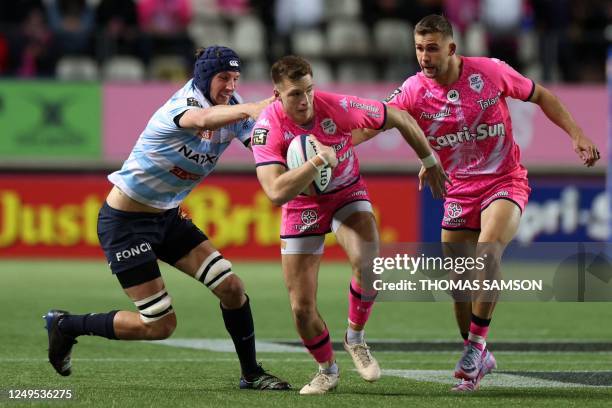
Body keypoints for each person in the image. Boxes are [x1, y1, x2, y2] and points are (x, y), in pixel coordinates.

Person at [357, 14, 600, 392]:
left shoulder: (489, 72)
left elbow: (541, 95)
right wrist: (337, 145)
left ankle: (474, 348)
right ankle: (477, 353)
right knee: (460, 285)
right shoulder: (414, 89)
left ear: (451, 48)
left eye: (432, 48)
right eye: (419, 48)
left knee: (487, 254)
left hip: (505, 180)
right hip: (459, 189)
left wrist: (577, 134)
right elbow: (378, 121)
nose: (424, 56)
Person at [43, 45, 291, 391]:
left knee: (232, 288)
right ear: (204, 77)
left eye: (235, 78)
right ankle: (67, 326)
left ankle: (251, 374)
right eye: (223, 78)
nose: (231, 86)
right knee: (160, 325)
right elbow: (201, 121)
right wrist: (256, 107)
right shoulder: (183, 105)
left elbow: (264, 146)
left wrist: (299, 142)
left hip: (167, 219)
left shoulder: (233, 110)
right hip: (125, 224)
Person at [251, 55, 448, 395]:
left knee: (369, 260)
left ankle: (355, 338)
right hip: (301, 206)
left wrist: (429, 160)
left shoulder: (337, 106)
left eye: (310, 90)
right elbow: (274, 192)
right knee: (301, 308)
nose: (306, 101)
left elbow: (398, 116)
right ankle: (327, 370)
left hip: (345, 193)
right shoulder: (268, 128)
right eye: (296, 94)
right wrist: (316, 161)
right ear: (277, 95)